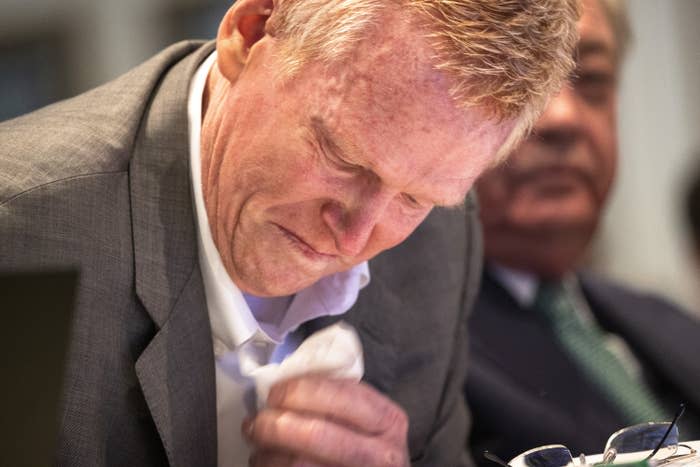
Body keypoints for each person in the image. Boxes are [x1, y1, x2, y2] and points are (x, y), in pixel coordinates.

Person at [0, 0, 579, 465]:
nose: (353, 240)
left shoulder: (441, 246)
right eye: (344, 157)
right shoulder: (20, 232)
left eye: (413, 198)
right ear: (250, 33)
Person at [465, 0, 700, 464]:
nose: (563, 117)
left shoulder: (665, 321)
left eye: (590, 78)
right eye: (520, 75)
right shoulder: (406, 360)